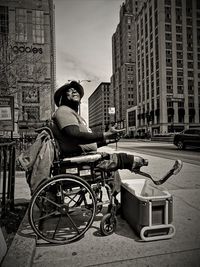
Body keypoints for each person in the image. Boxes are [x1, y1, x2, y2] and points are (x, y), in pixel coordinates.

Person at [51, 80, 146, 174]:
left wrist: (106, 141)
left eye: (76, 90)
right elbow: (74, 135)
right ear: (62, 97)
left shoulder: (72, 114)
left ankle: (116, 188)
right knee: (125, 160)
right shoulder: (63, 110)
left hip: (81, 157)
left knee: (113, 170)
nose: (75, 91)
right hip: (76, 160)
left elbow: (84, 143)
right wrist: (105, 134)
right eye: (69, 90)